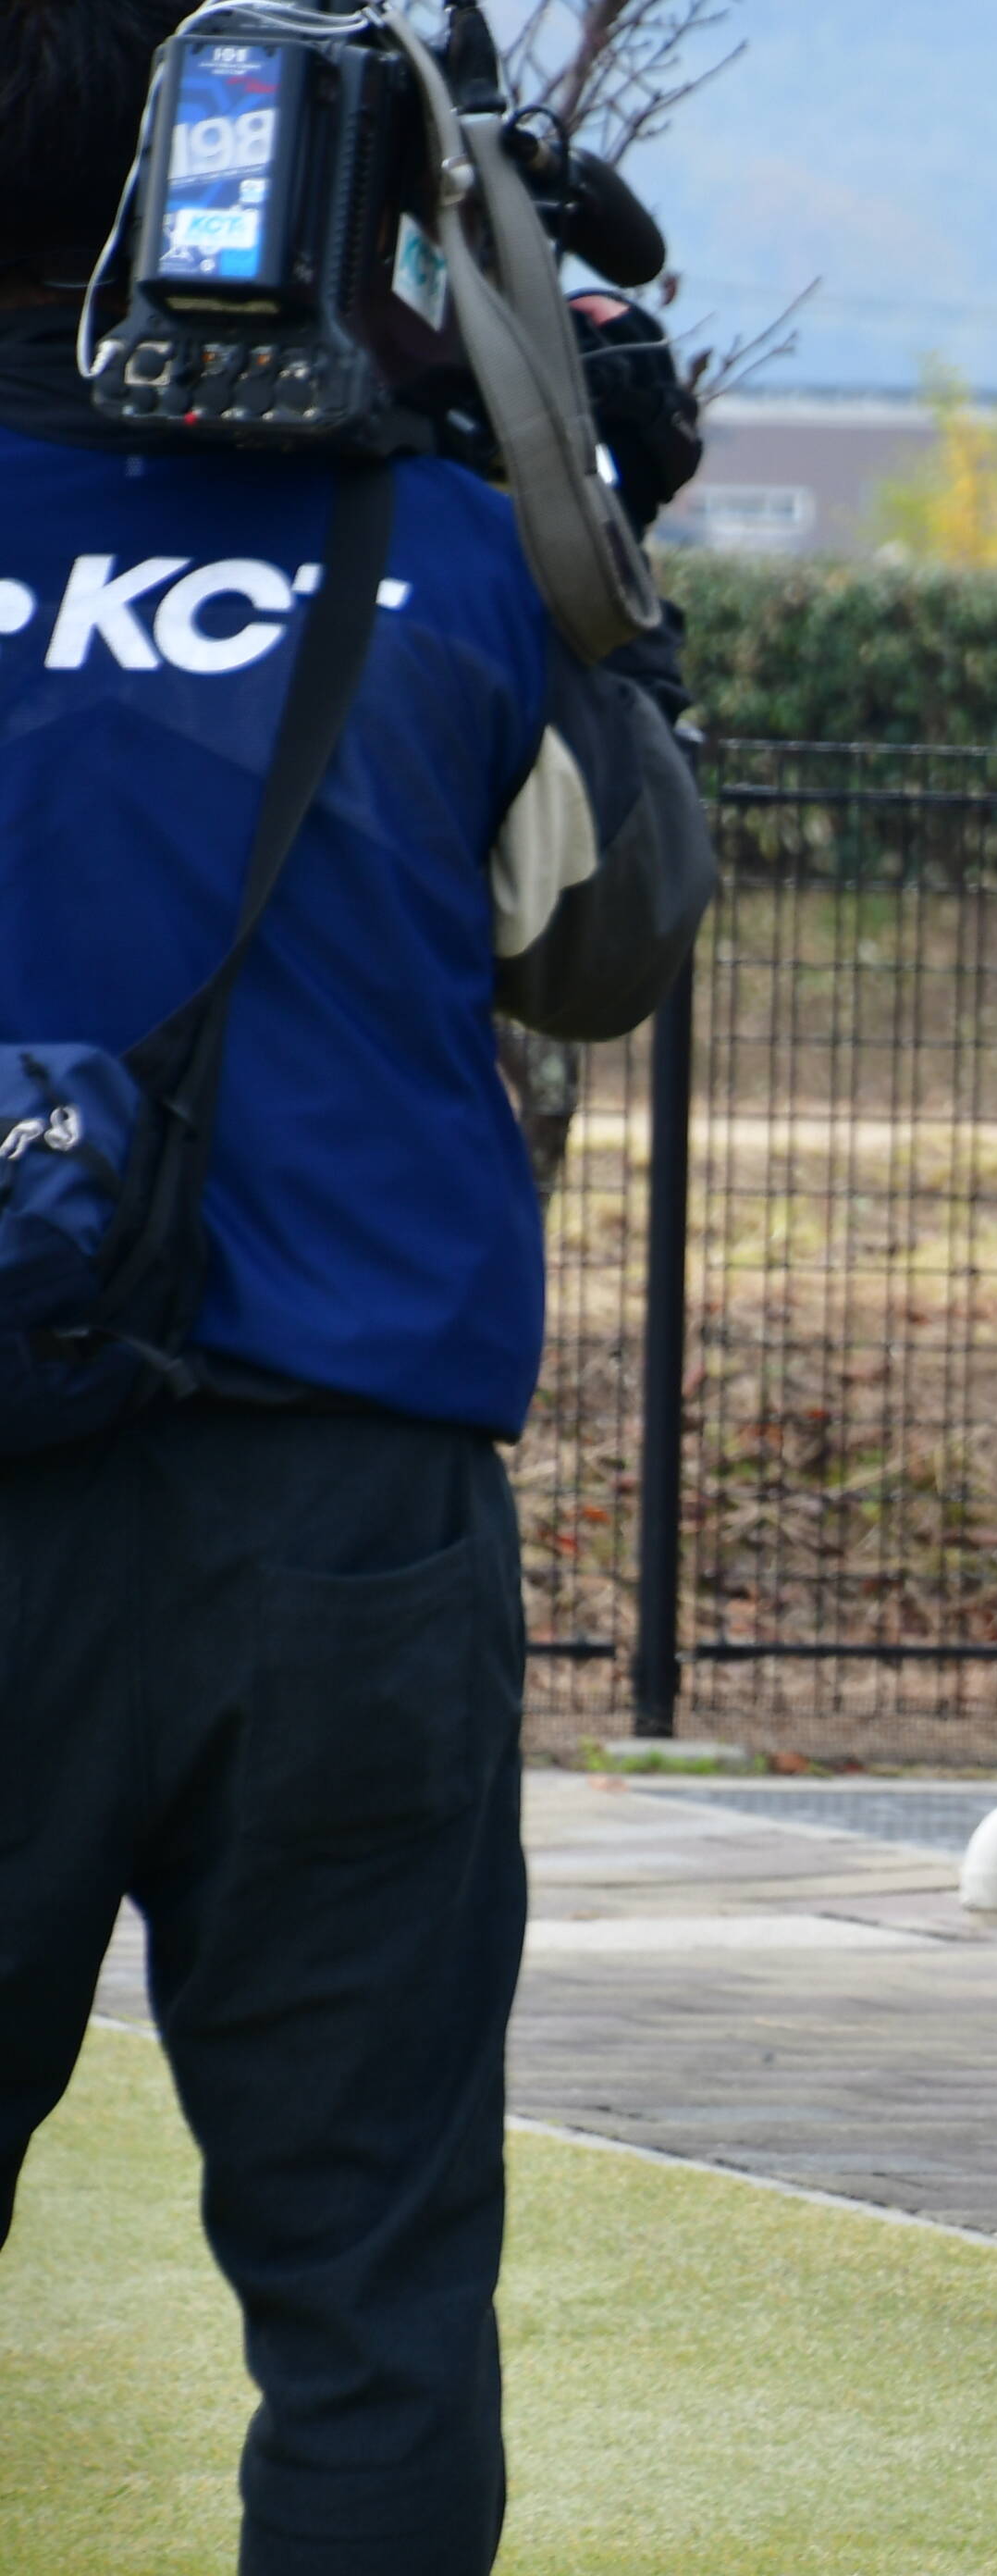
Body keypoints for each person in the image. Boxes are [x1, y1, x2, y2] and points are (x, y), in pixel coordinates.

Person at [0, 9, 718, 2567]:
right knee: (369, 2292)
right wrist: (575, 520)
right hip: (344, 1519)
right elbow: (606, 940)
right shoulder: (434, 551)